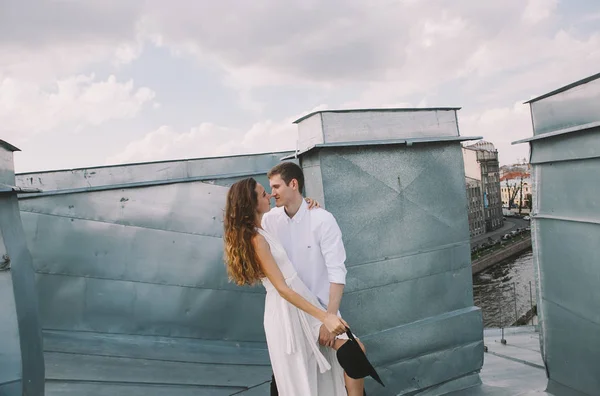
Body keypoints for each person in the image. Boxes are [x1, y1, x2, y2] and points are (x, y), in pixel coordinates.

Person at [223, 178, 349, 395]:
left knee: (321, 369)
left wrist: (308, 203)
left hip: (299, 303)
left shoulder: (265, 224)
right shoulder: (257, 239)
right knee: (300, 375)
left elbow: (294, 210)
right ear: (251, 203)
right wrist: (325, 316)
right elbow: (282, 288)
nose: (270, 196)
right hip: (286, 310)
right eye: (264, 194)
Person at [263, 162, 366, 396]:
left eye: (276, 186)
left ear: (294, 184)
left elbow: (337, 272)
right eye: (270, 188)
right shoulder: (269, 221)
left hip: (322, 311)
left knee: (354, 354)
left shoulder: (322, 219)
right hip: (289, 312)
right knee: (287, 377)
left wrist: (329, 318)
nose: (272, 193)